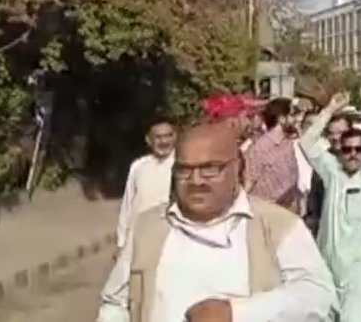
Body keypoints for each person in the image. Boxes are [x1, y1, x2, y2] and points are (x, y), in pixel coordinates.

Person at [97, 123, 335, 322]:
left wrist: (236, 313)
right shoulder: (149, 226)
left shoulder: (278, 225)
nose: (196, 180)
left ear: (238, 166)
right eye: (185, 170)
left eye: (210, 168)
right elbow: (115, 303)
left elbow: (319, 297)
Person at [300, 93, 361, 322]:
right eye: (347, 149)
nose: (353, 155)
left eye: (358, 149)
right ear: (339, 151)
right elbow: (307, 142)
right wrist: (329, 109)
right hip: (329, 268)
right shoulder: (332, 173)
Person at [114, 118, 176, 252]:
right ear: (148, 140)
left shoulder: (182, 166)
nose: (164, 141)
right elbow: (127, 205)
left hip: (168, 241)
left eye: (168, 136)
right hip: (136, 240)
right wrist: (121, 242)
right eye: (158, 137)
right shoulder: (138, 166)